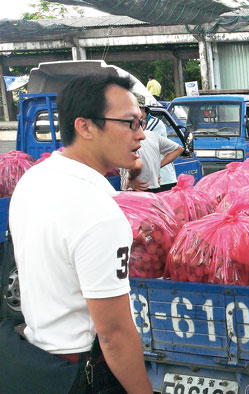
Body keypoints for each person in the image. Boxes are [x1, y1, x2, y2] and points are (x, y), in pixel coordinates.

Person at [8, 74, 152, 392]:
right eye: (130, 123)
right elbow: (114, 333)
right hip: (84, 374)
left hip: (37, 364)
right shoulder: (98, 211)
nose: (141, 135)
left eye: (142, 122)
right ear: (85, 126)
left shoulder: (34, 180)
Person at [120, 93, 183, 192]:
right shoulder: (133, 125)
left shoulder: (153, 125)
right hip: (148, 179)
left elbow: (139, 150)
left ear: (143, 108)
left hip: (161, 178)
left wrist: (158, 166)